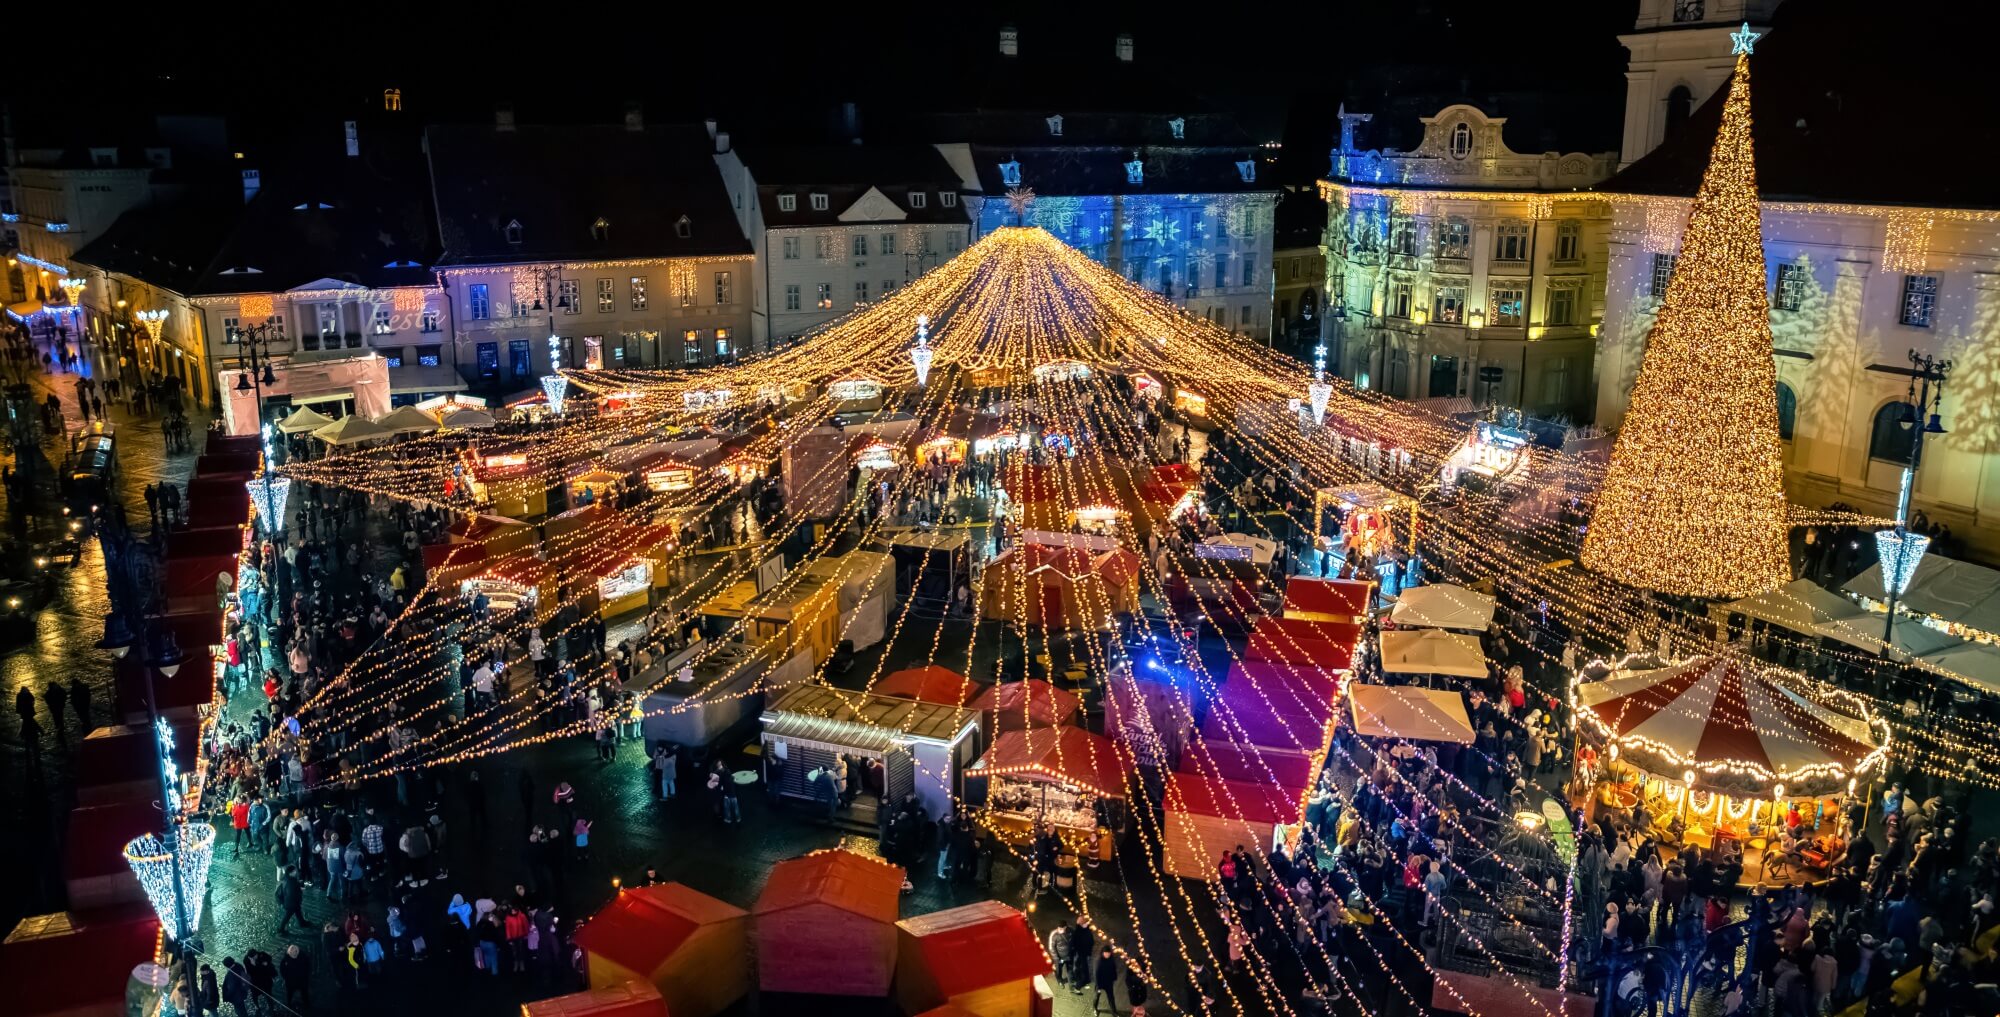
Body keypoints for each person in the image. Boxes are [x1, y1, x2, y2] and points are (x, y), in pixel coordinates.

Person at [1092, 948, 1121, 1013]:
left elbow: (1114, 969)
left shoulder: (1111, 960)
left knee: (1111, 998)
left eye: (1108, 953)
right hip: (1100, 983)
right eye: (1106, 953)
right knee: (1097, 996)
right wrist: (1098, 987)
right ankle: (1095, 1008)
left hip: (1108, 983)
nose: (1107, 955)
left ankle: (1114, 1012)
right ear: (1103, 953)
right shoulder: (1099, 962)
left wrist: (1114, 978)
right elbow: (1096, 975)